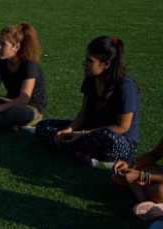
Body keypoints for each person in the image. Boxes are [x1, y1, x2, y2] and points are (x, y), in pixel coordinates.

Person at [36, 36, 140, 167]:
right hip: (88, 130)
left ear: (106, 64)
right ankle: (81, 151)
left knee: (107, 139)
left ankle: (77, 149)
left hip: (117, 139)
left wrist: (83, 134)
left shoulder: (125, 86)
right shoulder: (91, 78)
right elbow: (83, 113)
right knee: (43, 127)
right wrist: (69, 129)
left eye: (89, 61)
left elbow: (122, 127)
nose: (84, 63)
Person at [113, 84, 163, 220]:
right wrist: (131, 163)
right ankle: (148, 205)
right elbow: (155, 154)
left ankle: (155, 202)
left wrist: (142, 176)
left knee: (160, 191)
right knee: (131, 170)